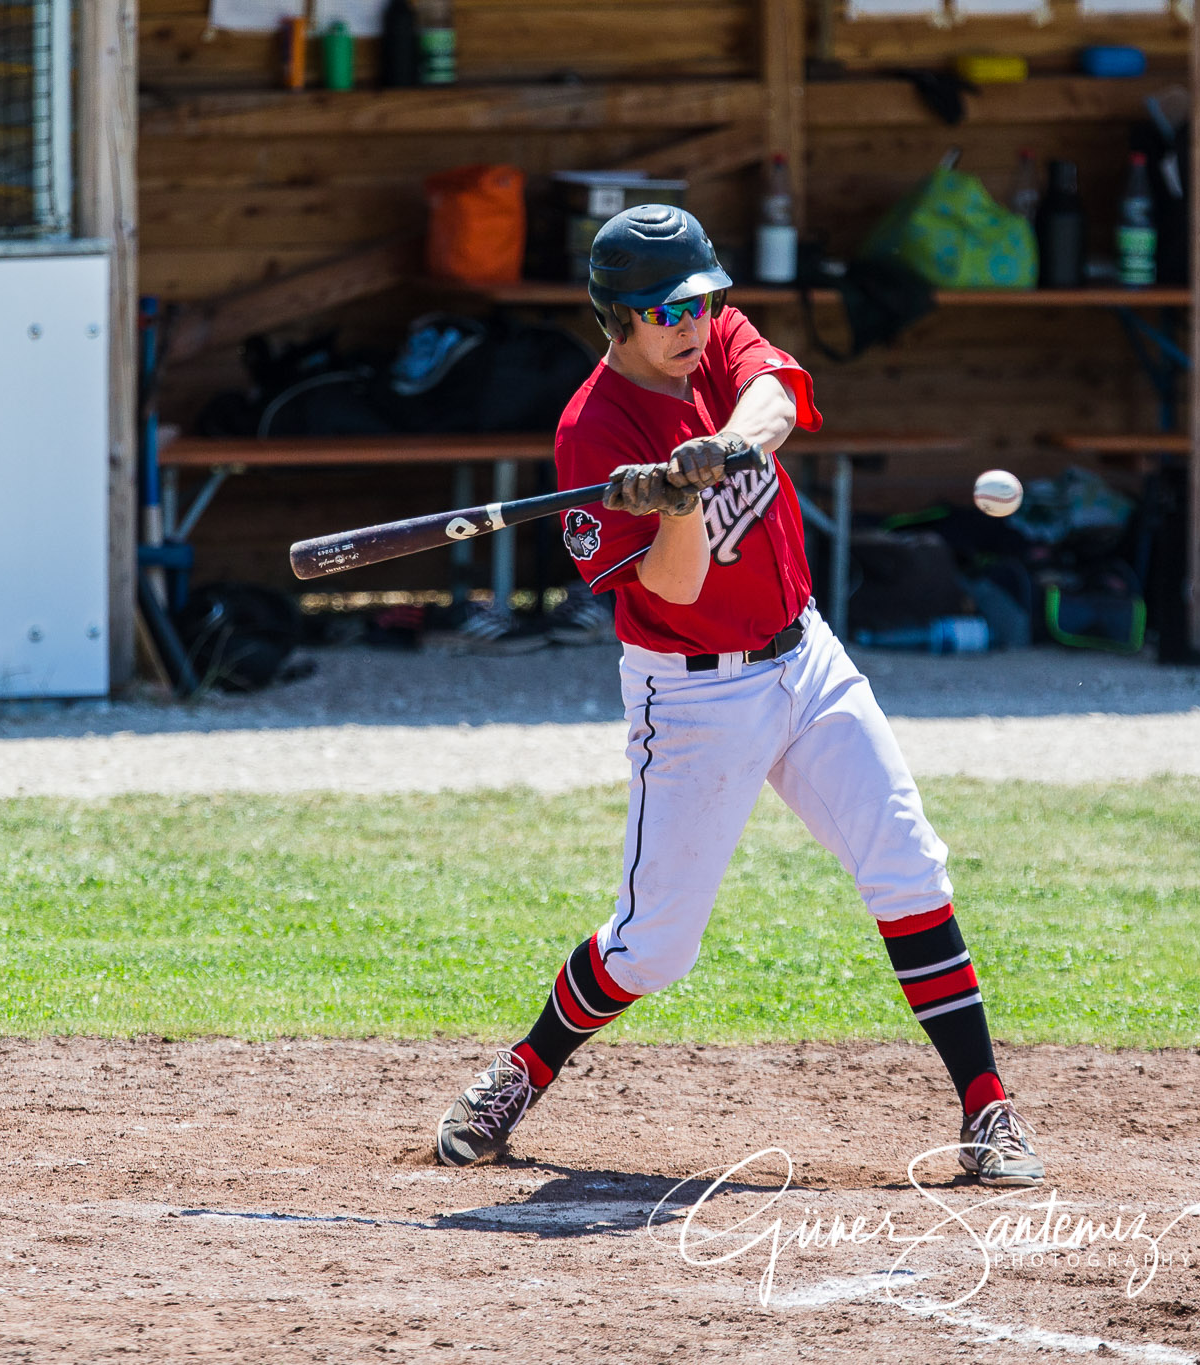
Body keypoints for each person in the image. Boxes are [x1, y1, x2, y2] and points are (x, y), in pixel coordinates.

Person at [432, 205, 1044, 1187]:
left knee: (908, 867)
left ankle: (987, 1109)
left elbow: (775, 401)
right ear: (618, 317)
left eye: (701, 303)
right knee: (652, 949)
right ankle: (522, 1070)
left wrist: (717, 447)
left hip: (806, 656)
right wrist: (674, 505)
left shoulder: (712, 345)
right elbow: (673, 589)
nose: (692, 323)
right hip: (693, 698)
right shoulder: (591, 433)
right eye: (666, 312)